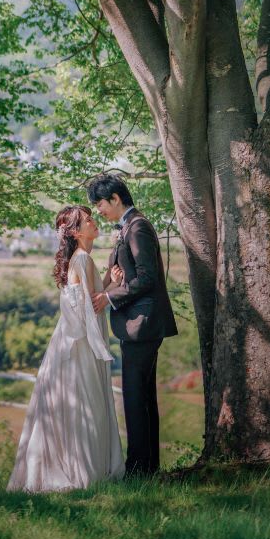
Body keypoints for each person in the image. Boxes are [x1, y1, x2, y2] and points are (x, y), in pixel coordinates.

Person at [7, 204, 125, 492]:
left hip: (72, 341)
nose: (94, 222)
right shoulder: (82, 260)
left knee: (82, 406)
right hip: (81, 345)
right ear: (75, 232)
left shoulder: (81, 259)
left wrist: (109, 281)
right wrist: (111, 288)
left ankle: (80, 468)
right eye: (87, 220)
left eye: (92, 217)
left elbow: (90, 298)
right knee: (86, 406)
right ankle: (84, 472)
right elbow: (90, 308)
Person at [87, 174, 177, 476]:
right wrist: (113, 278)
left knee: (136, 398)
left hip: (142, 324)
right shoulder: (128, 227)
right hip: (139, 325)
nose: (98, 210)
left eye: (99, 204)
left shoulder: (137, 227)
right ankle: (147, 467)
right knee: (143, 398)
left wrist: (109, 298)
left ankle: (138, 469)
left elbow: (147, 278)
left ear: (115, 198)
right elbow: (133, 273)